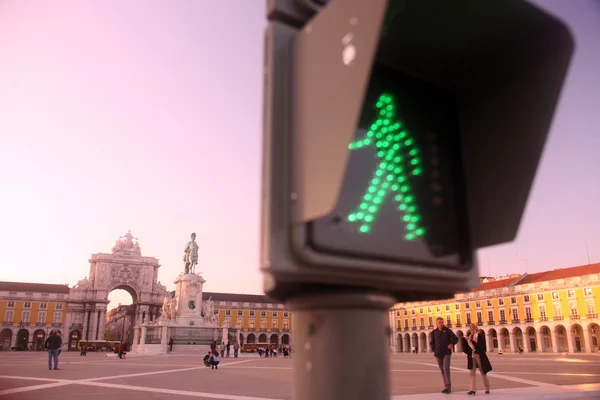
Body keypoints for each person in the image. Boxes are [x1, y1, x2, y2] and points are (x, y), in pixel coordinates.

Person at [430, 317, 459, 394]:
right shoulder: (434, 332)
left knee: (446, 368)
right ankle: (446, 386)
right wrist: (434, 350)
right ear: (436, 323)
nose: (441, 324)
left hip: (446, 353)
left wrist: (451, 344)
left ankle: (448, 387)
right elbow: (432, 342)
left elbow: (456, 339)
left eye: (442, 322)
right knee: (442, 370)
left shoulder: (447, 330)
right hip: (438, 353)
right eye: (440, 322)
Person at [463, 324, 492, 395]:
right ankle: (472, 389)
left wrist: (472, 341)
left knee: (483, 372)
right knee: (472, 373)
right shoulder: (469, 337)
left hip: (479, 355)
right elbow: (466, 348)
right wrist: (468, 351)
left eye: (473, 329)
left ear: (476, 329)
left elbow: (481, 346)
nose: (472, 331)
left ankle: (487, 388)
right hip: (471, 356)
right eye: (471, 329)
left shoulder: (480, 336)